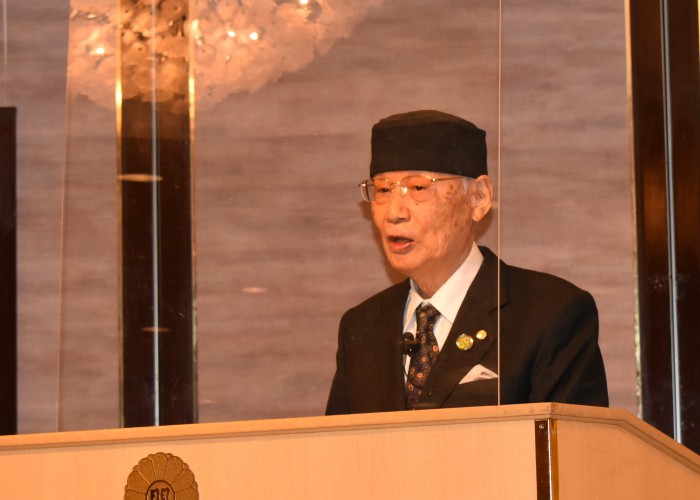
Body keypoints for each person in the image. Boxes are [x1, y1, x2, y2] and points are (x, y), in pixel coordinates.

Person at [326, 109, 608, 415]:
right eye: (383, 190)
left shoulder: (549, 313)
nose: (394, 212)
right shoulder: (362, 327)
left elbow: (567, 443)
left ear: (478, 198)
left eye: (418, 188)